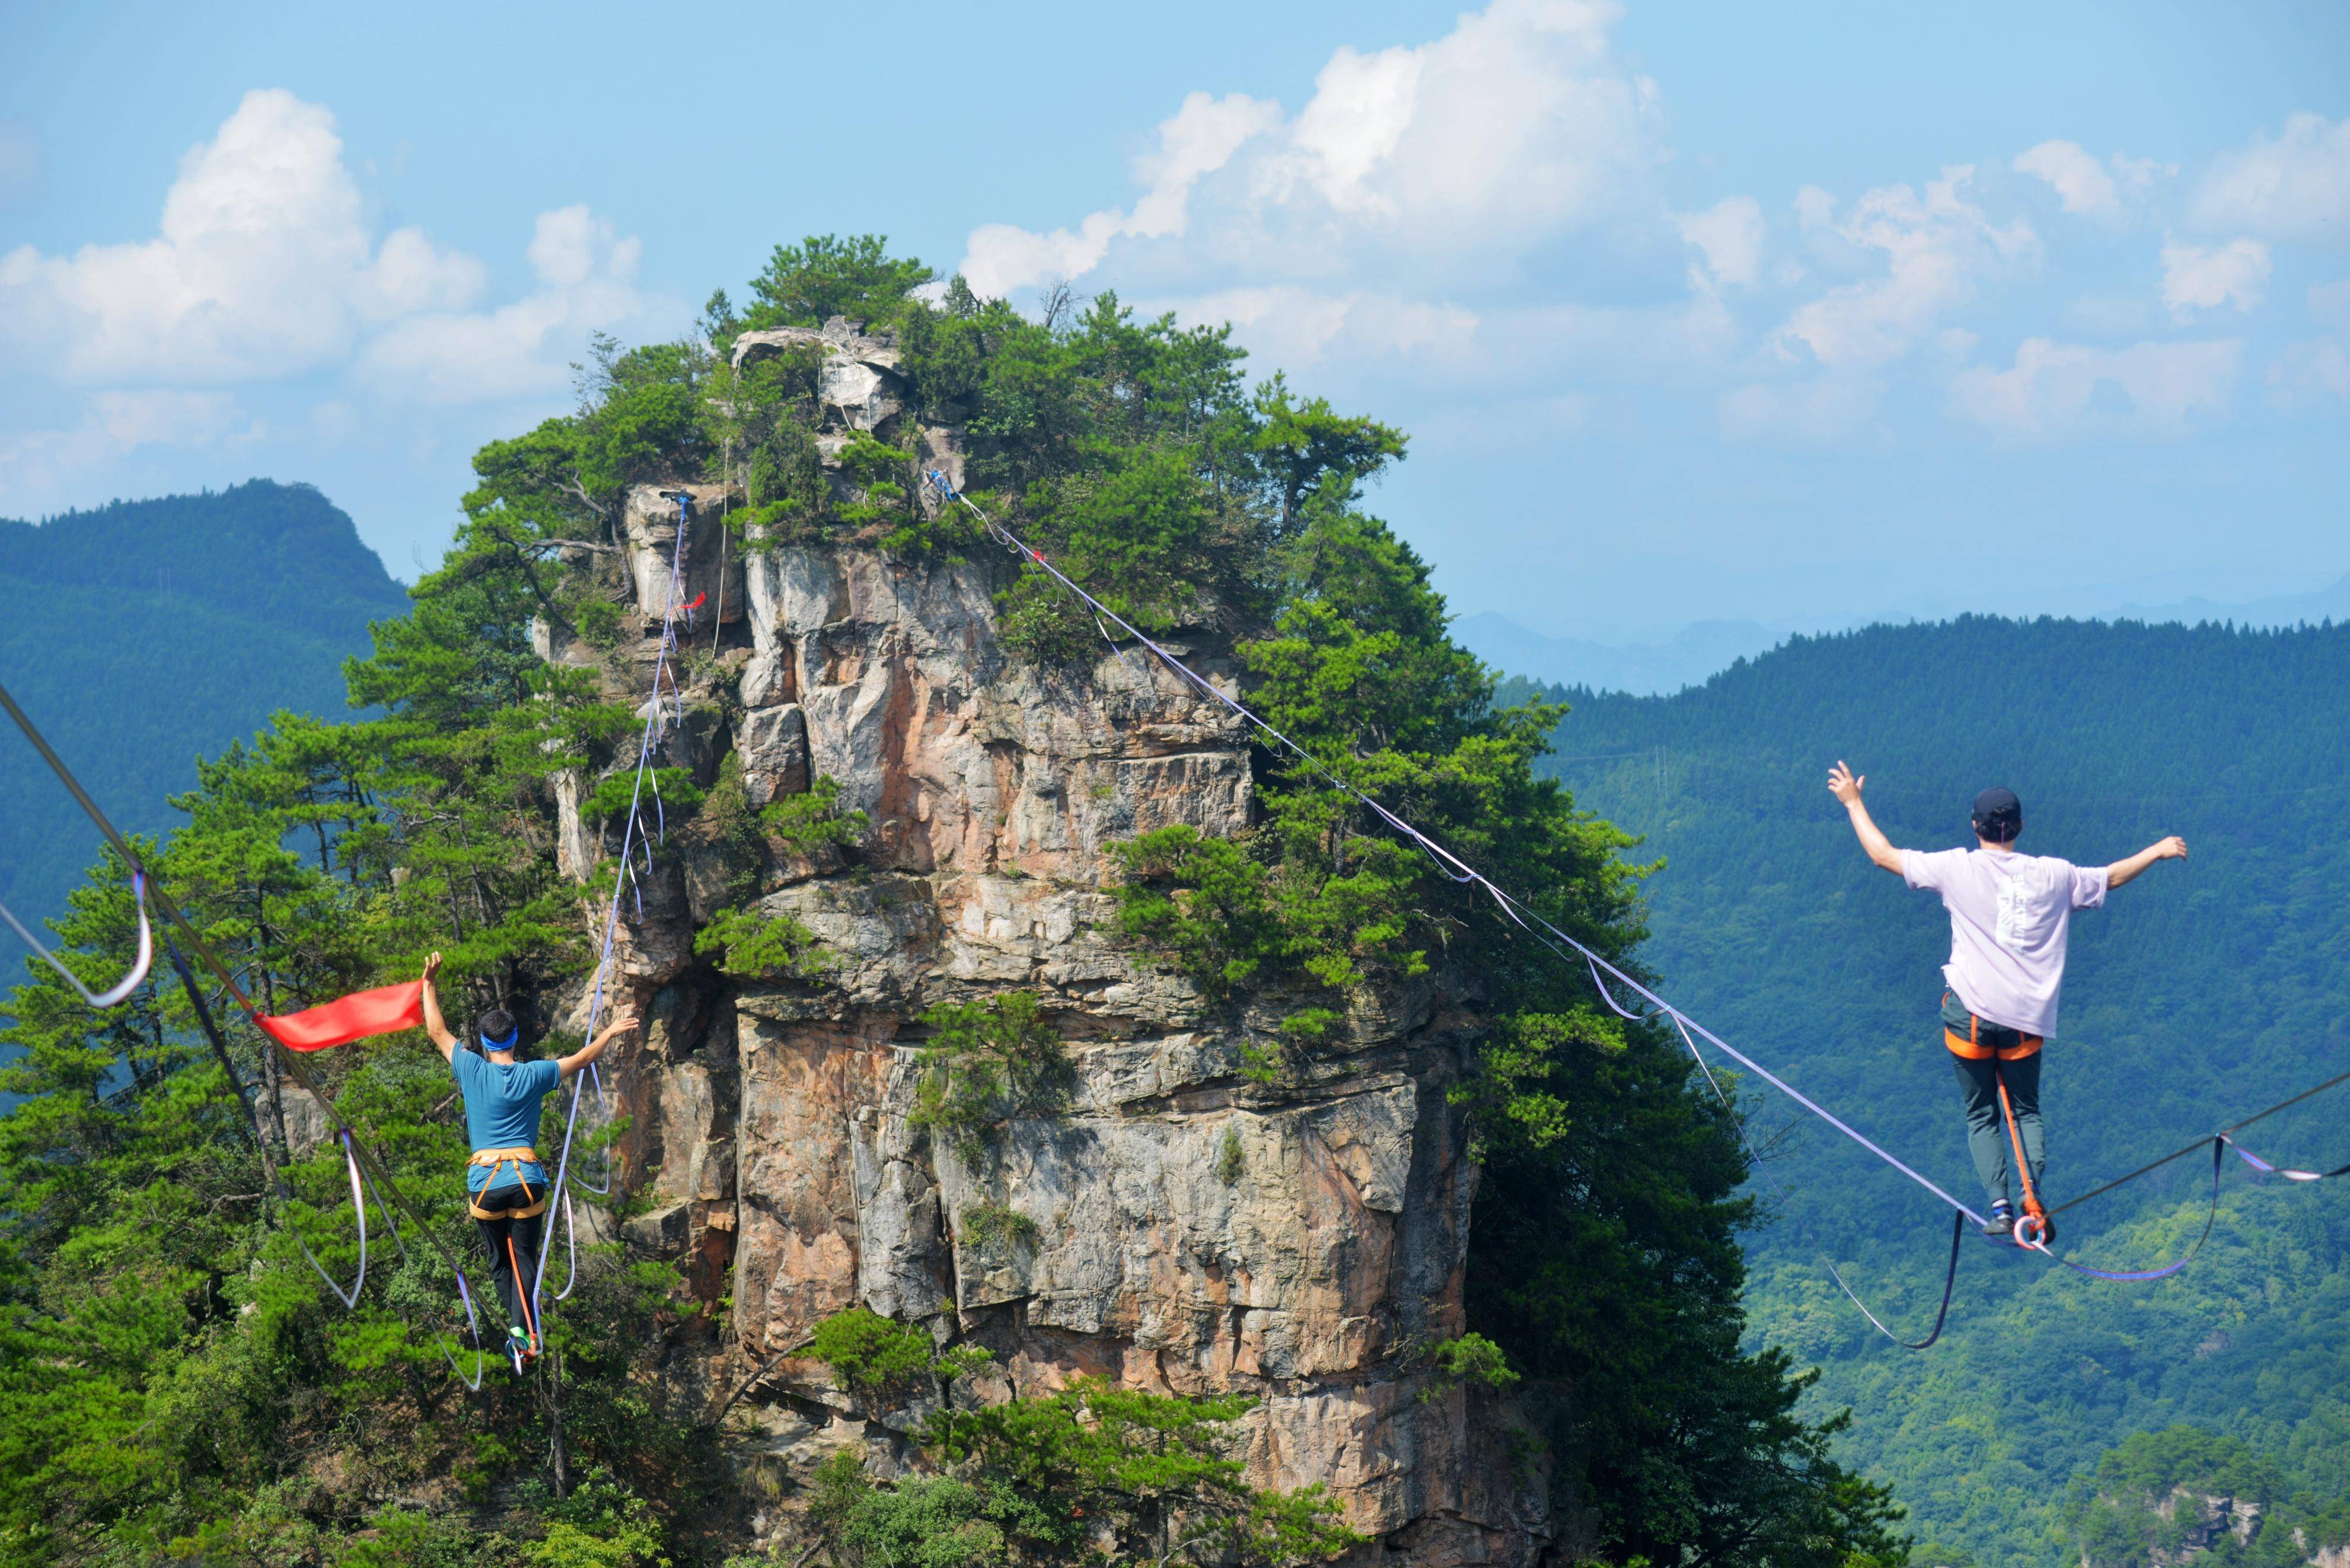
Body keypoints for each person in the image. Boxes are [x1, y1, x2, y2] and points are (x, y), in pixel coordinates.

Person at [1826, 764, 2186, 1242]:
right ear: (2018, 827)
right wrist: (2157, 851)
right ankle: (2030, 1201)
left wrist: (1853, 802)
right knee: (2025, 1111)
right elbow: (2111, 878)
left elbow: (1882, 856)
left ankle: (1999, 1209)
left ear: (1974, 827)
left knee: (1981, 1114)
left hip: (1969, 1018)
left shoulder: (1956, 867)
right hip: (2025, 1021)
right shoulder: (2054, 876)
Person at [420, 952, 636, 1366]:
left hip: (484, 1182)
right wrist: (609, 1031)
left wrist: (428, 982)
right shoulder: (536, 1073)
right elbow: (584, 1059)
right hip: (525, 1179)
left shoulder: (470, 1069)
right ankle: (526, 1331)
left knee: (500, 1262)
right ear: (514, 1040)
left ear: (483, 1044)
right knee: (524, 1258)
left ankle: (520, 1332)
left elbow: (436, 1030)